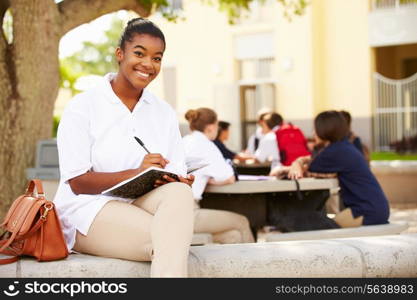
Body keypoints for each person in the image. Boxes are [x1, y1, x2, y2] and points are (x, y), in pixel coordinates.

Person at [54, 18, 195, 277]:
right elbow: (77, 182)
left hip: (140, 204)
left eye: (157, 58)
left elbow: (175, 171)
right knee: (170, 240)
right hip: (88, 210)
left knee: (180, 195)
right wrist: (137, 173)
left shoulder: (163, 112)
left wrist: (177, 178)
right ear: (120, 54)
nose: (148, 64)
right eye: (139, 53)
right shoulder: (83, 106)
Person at [281, 110, 390, 226]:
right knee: (322, 224)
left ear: (325, 130)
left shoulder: (335, 151)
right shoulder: (343, 146)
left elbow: (307, 170)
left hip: (365, 212)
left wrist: (295, 164)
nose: (313, 133)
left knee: (321, 229)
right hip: (375, 209)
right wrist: (297, 164)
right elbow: (312, 162)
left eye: (316, 129)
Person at [183, 108, 255, 244]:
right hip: (189, 212)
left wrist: (205, 178)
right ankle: (259, 265)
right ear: (211, 127)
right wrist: (211, 180)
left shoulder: (184, 141)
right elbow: (229, 177)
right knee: (242, 221)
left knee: (233, 236)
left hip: (173, 212)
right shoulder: (206, 145)